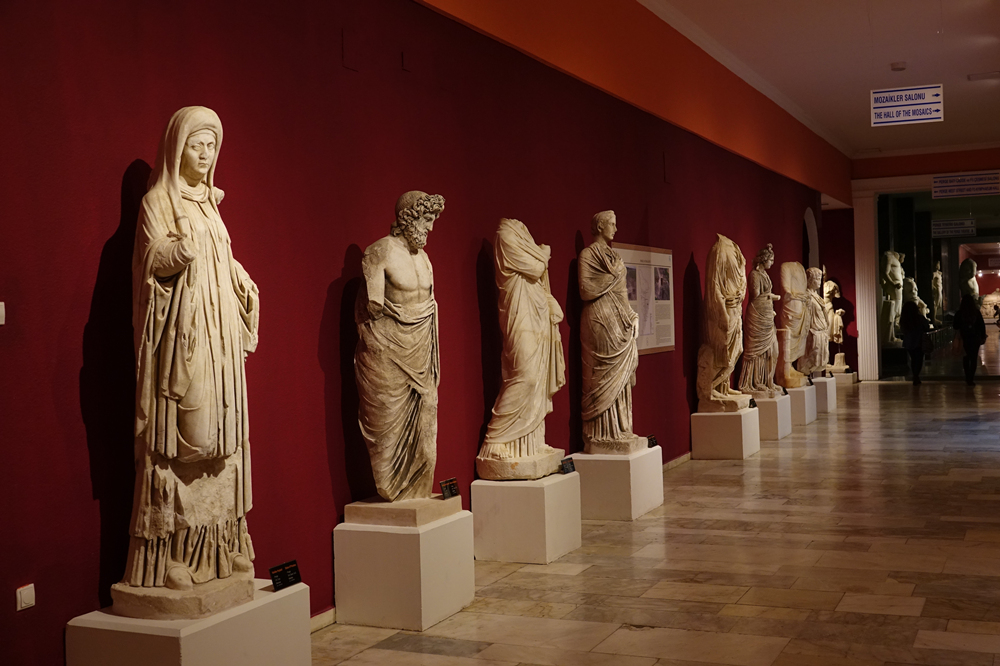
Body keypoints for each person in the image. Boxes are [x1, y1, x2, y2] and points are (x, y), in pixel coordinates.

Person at [126, 107, 259, 592]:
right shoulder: (158, 202)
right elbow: (151, 262)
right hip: (186, 337)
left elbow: (218, 255)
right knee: (190, 439)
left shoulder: (209, 204)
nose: (204, 154)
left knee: (224, 438)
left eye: (211, 146)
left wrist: (237, 275)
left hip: (220, 335)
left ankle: (222, 547)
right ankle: (172, 556)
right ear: (176, 148)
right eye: (195, 145)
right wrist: (175, 253)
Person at [355, 191, 445, 501]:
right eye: (427, 219)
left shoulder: (425, 259)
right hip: (387, 355)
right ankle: (392, 490)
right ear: (408, 217)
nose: (430, 227)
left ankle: (418, 491)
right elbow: (372, 308)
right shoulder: (379, 252)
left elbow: (429, 307)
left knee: (426, 430)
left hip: (421, 353)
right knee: (387, 431)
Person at [578, 210, 639, 452]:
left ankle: (620, 429)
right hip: (598, 319)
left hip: (618, 320)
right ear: (600, 226)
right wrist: (612, 277)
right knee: (601, 375)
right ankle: (599, 434)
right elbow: (585, 290)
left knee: (620, 376)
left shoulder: (615, 257)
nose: (615, 229)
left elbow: (623, 294)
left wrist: (632, 315)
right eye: (612, 224)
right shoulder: (587, 255)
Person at [738, 244, 780, 397]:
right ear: (763, 260)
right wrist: (771, 296)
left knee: (773, 351)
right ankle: (755, 382)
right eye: (771, 260)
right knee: (757, 352)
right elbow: (755, 295)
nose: (772, 263)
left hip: (767, 316)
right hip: (757, 315)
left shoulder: (764, 274)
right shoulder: (754, 275)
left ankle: (768, 381)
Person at [954, 293, 986, 386]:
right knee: (973, 358)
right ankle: (971, 378)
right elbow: (981, 325)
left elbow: (955, 326)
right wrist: (983, 336)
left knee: (966, 357)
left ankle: (967, 376)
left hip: (964, 338)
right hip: (975, 338)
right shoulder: (976, 312)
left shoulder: (959, 313)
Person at [899, 301, 929, 385]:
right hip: (919, 341)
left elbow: (902, 330)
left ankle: (915, 375)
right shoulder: (919, 318)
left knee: (913, 359)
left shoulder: (904, 319)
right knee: (919, 359)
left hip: (908, 342)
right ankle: (916, 375)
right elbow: (926, 326)